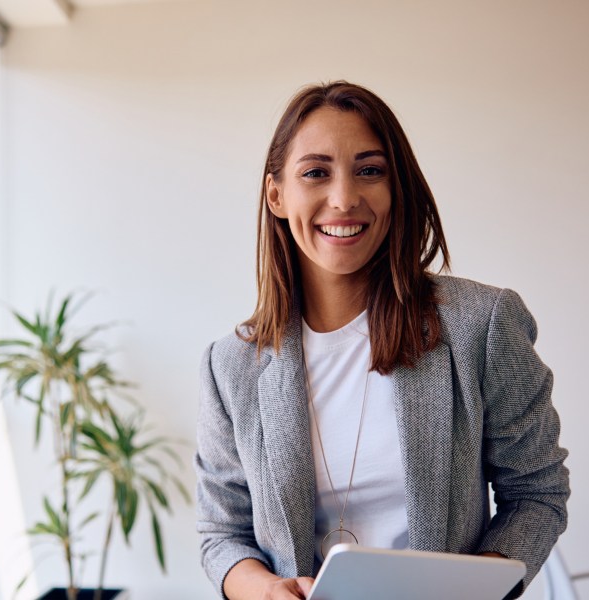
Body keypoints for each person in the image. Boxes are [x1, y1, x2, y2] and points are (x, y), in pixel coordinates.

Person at [194, 81, 569, 600]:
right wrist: (263, 591)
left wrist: (463, 593)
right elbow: (222, 534)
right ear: (276, 195)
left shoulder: (479, 325)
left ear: (397, 189)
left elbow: (537, 494)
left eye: (370, 170)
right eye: (315, 173)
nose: (344, 198)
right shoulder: (230, 365)